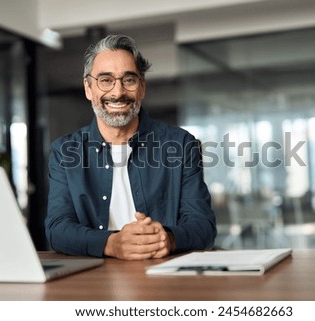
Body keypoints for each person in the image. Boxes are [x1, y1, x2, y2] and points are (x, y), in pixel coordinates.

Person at [45, 35, 216, 260]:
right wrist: (111, 243)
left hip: (165, 277)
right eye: (106, 80)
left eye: (129, 80)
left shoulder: (181, 145)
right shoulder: (64, 151)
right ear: (88, 88)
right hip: (94, 281)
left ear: (142, 87)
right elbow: (57, 229)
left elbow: (203, 225)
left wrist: (168, 238)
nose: (118, 92)